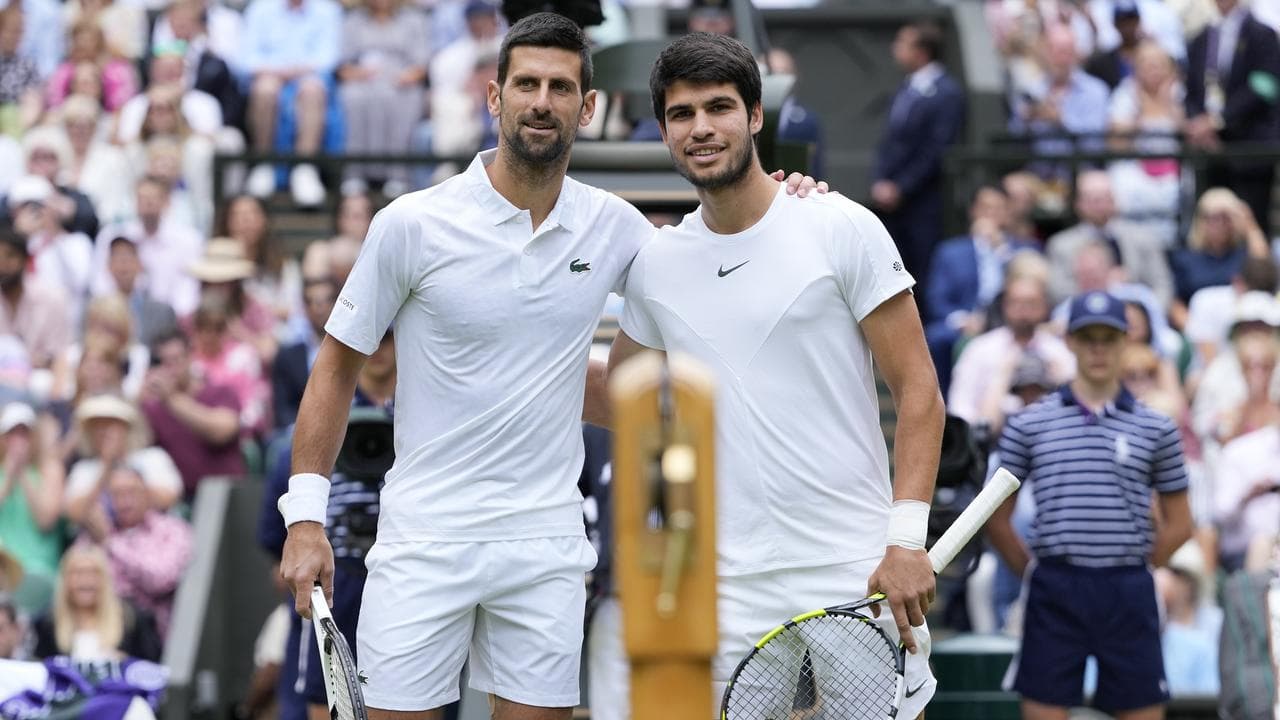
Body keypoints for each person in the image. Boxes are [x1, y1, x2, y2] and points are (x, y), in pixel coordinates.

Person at [276, 13, 820, 719]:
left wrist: (793, 204)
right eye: (526, 84)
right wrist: (304, 518)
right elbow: (335, 369)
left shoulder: (616, 226)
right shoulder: (411, 224)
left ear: (587, 108)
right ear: (494, 97)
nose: (542, 101)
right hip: (423, 540)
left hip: (548, 546)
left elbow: (718, 257)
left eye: (561, 88)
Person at [602, 32, 944, 717]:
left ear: (756, 116)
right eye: (681, 114)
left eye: (719, 107)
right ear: (664, 130)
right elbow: (623, 399)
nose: (701, 128)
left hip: (854, 569)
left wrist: (906, 541)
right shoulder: (655, 263)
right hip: (724, 586)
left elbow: (919, 394)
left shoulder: (840, 226)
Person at [988, 290, 1193, 720]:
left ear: (1126, 342)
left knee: (1141, 709)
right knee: (1043, 708)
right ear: (1070, 341)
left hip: (1128, 587)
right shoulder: (1030, 423)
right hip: (1055, 585)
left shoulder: (1156, 428)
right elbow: (996, 517)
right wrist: (1033, 572)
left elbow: (1180, 524)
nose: (1098, 348)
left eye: (1109, 337)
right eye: (1087, 337)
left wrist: (1139, 566)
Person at [870, 21, 965, 289]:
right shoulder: (906, 87)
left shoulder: (947, 93)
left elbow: (936, 149)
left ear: (922, 52)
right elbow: (889, 142)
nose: (895, 49)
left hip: (922, 204)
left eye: (903, 44)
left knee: (921, 273)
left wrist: (901, 187)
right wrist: (880, 181)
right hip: (890, 202)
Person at [1184, 0, 1280, 235]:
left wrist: (1218, 121)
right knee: (1210, 227)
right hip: (1210, 152)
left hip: (1250, 151)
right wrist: (1199, 124)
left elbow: (1265, 87)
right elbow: (1191, 91)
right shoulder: (1201, 38)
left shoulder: (1263, 35)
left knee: (1252, 225)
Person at [32, 542, 161, 661]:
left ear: (105, 579)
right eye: (78, 573)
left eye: (93, 573)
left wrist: (126, 664)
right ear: (65, 580)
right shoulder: (47, 622)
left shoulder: (130, 618)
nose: (85, 581)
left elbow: (150, 666)